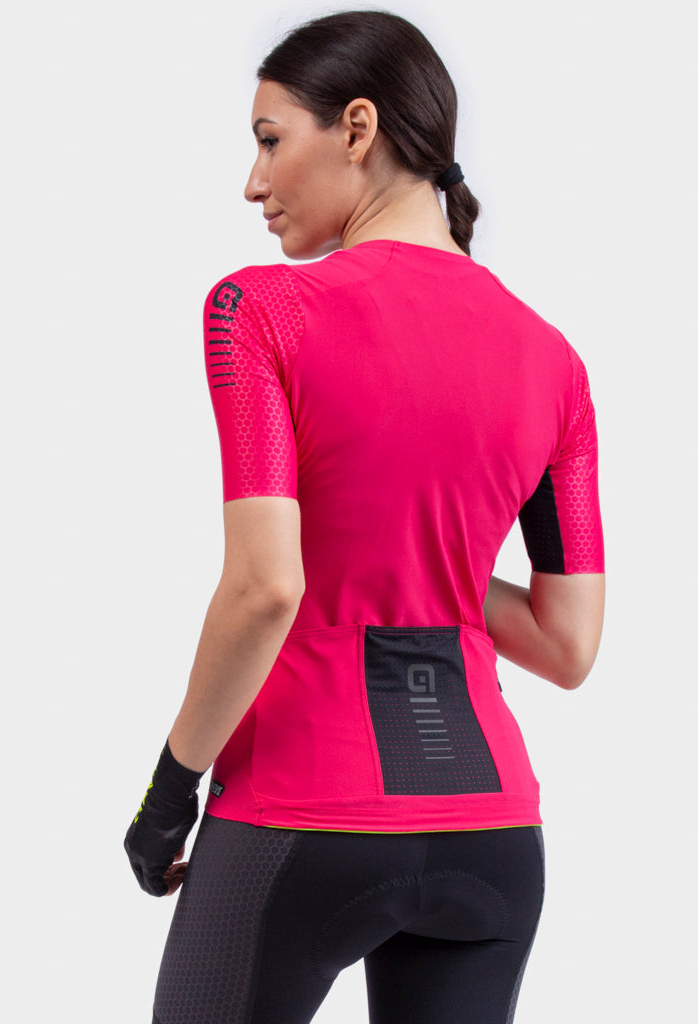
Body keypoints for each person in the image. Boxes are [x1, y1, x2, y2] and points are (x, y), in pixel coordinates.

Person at [124, 10, 605, 1024]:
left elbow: (265, 587)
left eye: (269, 141)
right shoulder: (553, 360)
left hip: (300, 815)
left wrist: (171, 789)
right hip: (492, 838)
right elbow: (567, 644)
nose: (252, 183)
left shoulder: (260, 312)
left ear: (356, 127)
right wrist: (420, 546)